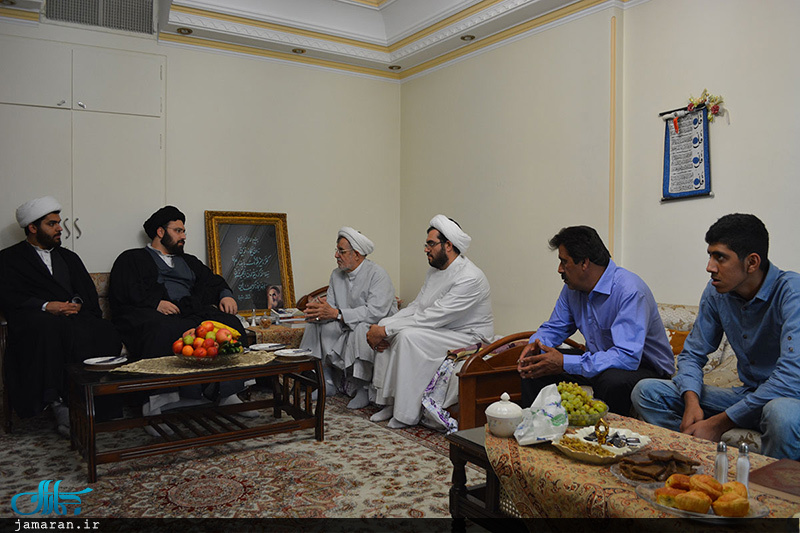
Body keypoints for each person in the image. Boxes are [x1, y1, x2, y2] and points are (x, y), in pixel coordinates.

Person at [632, 214, 800, 460]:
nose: (710, 267)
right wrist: (691, 401)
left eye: (720, 257)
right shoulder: (716, 292)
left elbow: (790, 379)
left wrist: (719, 423)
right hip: (749, 395)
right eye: (710, 256)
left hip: (789, 399)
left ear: (752, 262)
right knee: (647, 391)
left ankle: (770, 485)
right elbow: (692, 354)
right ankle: (693, 463)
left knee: (780, 414)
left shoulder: (792, 292)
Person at [109, 206, 251, 420]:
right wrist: (155, 303)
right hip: (155, 314)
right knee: (165, 329)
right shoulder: (132, 258)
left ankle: (228, 392)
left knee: (230, 324)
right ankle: (156, 404)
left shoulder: (189, 261)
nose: (183, 236)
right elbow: (124, 289)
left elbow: (211, 281)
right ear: (160, 232)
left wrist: (225, 295)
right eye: (178, 231)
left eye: (184, 231)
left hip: (189, 311)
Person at [517, 226, 674, 416]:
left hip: (645, 368)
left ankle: (605, 433)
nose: (559, 269)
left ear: (584, 262)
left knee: (612, 381)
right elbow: (555, 327)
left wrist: (565, 362)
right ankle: (536, 427)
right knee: (535, 366)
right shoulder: (572, 289)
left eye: (564, 262)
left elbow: (627, 357)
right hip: (601, 359)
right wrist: (536, 344)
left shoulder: (630, 290)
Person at [0, 196, 121, 436]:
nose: (59, 229)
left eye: (59, 223)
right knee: (50, 329)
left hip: (73, 317)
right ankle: (59, 402)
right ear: (32, 228)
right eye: (52, 224)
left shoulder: (68, 257)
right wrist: (46, 305)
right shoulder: (9, 258)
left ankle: (99, 402)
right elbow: (9, 296)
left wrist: (74, 305)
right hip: (35, 319)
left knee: (105, 330)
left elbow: (86, 293)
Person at [367, 215, 493, 429]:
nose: (426, 249)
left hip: (468, 337)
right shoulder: (434, 272)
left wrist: (386, 331)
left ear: (448, 245)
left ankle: (406, 414)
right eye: (426, 244)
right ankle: (390, 401)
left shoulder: (470, 277)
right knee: (387, 322)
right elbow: (418, 306)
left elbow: (434, 316)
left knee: (407, 336)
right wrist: (384, 326)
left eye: (431, 244)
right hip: (442, 329)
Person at [300, 227, 397, 408]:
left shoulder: (378, 274)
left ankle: (363, 388)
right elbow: (331, 307)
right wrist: (318, 311)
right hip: (346, 322)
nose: (336, 255)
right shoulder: (336, 275)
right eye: (336, 250)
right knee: (316, 324)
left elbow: (375, 312)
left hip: (373, 325)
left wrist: (337, 314)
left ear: (357, 254)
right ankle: (326, 380)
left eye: (341, 251)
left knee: (361, 328)